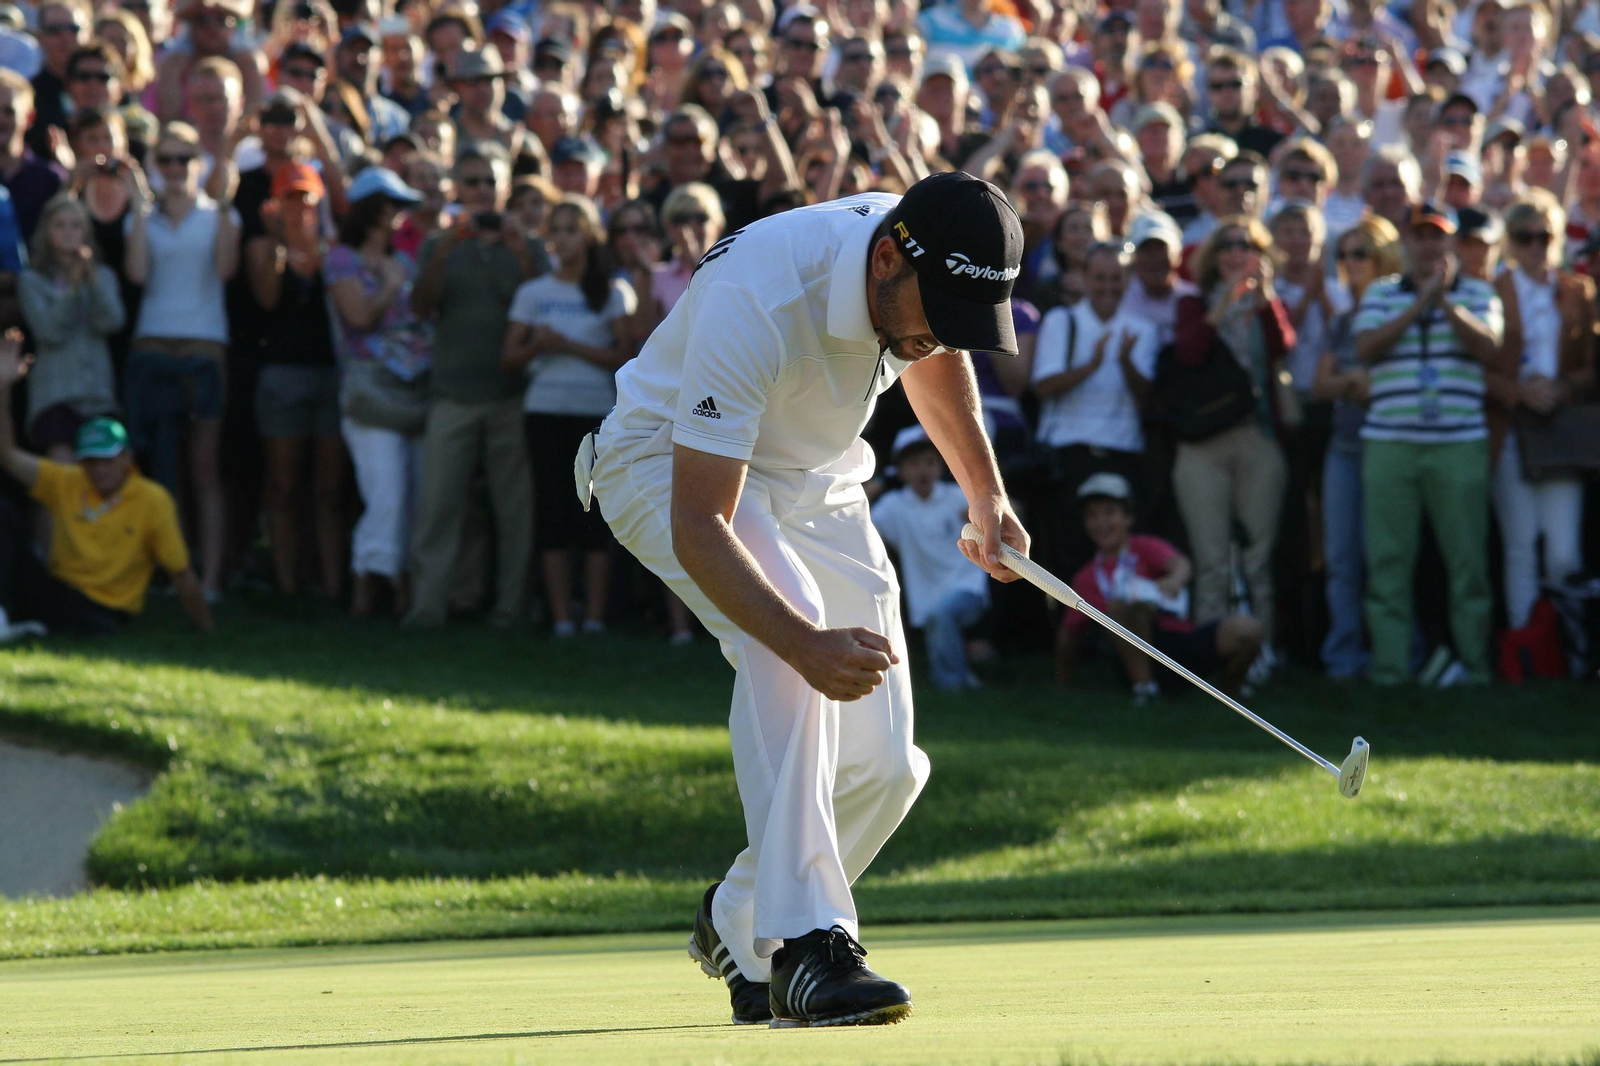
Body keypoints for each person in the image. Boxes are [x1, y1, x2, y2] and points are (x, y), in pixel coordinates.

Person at [587, 173, 1029, 1026]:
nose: (938, 335)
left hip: (814, 475)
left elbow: (938, 355)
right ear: (888, 260)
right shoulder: (760, 292)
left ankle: (738, 919)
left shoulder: (915, 273)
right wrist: (799, 640)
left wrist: (986, 493)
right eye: (936, 312)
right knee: (789, 645)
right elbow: (701, 523)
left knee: (886, 766)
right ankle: (805, 947)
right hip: (663, 462)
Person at [1353, 202, 1501, 686]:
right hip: (1390, 443)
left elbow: (1488, 346)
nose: (1428, 245)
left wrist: (1445, 304)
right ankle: (1390, 671)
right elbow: (1366, 347)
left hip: (1459, 444)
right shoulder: (1380, 293)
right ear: (1406, 243)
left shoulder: (1478, 293)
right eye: (1419, 236)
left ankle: (1475, 668)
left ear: (1451, 242)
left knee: (1468, 563)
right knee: (1388, 562)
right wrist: (1420, 304)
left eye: (1436, 236)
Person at [404, 145, 547, 628]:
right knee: (439, 507)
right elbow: (421, 307)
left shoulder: (530, 245)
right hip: (452, 394)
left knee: (514, 511)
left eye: (491, 181)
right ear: (457, 189)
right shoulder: (438, 244)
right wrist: (446, 248)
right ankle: (428, 609)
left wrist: (521, 251)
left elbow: (546, 303)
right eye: (473, 182)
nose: (483, 191)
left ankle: (510, 609)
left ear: (505, 187)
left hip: (513, 396)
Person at [0, 339, 212, 637]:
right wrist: (3, 388)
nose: (99, 470)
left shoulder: (152, 499)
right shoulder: (67, 480)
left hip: (105, 609)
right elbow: (7, 455)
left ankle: (32, 626)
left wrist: (207, 630)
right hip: (57, 591)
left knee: (87, 619)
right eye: (91, 461)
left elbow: (181, 572)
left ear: (127, 458)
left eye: (107, 460)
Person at [502, 195, 636, 637]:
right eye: (555, 230)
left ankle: (593, 618)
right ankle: (561, 618)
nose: (561, 239)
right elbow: (509, 357)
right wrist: (537, 346)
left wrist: (570, 346)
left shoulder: (613, 292)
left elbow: (627, 356)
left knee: (594, 513)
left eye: (570, 229)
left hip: (594, 414)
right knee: (552, 511)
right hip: (544, 411)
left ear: (590, 236)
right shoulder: (533, 292)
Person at [1172, 218, 1295, 674]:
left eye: (1246, 245)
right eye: (1227, 245)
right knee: (1212, 560)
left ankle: (1259, 658)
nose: (1236, 252)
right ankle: (1211, 662)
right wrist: (1225, 299)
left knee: (1257, 557)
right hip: (1204, 443)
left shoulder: (1266, 305)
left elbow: (1283, 345)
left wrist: (1264, 297)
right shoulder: (1193, 302)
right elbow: (1190, 353)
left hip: (1256, 436)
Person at [123, 120, 239, 603]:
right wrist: (139, 209)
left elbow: (226, 270)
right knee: (155, 465)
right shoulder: (142, 217)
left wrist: (225, 206)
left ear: (199, 163)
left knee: (203, 467)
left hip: (204, 344)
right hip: (152, 342)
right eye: (165, 159)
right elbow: (137, 273)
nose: (174, 168)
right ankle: (162, 574)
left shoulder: (219, 215)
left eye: (183, 159)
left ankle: (208, 580)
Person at [1486, 192, 1596, 634]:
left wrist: (1560, 388)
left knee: (1564, 552)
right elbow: (1477, 367)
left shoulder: (1576, 291)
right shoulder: (1493, 290)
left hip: (1558, 427)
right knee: (1520, 546)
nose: (1535, 245)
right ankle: (1525, 647)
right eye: (1524, 236)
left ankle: (1566, 643)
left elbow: (1590, 368)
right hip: (1511, 426)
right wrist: (1518, 392)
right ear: (1510, 242)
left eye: (1544, 236)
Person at [1055, 472, 1264, 702]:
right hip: (1132, 654)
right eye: (1092, 515)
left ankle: (1230, 693)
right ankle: (1144, 688)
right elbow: (1069, 633)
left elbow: (1180, 564)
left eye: (1110, 512)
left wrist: (1174, 580)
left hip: (1180, 640)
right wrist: (1063, 681)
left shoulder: (1145, 547)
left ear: (1128, 517)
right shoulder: (1085, 577)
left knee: (1248, 629)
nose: (1101, 523)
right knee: (1120, 607)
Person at [326, 167, 429, 619]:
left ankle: (401, 585)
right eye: (392, 206)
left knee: (413, 495)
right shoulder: (341, 260)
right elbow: (360, 318)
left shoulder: (406, 261)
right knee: (385, 494)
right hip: (371, 393)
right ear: (372, 210)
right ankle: (369, 587)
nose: (398, 215)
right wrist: (389, 285)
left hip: (414, 388)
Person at [245, 160, 346, 601]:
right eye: (290, 198)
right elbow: (267, 298)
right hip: (283, 376)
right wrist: (281, 241)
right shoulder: (262, 247)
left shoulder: (335, 251)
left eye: (306, 198)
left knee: (329, 490)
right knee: (283, 487)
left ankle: (333, 586)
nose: (299, 207)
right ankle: (287, 587)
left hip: (331, 375)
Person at [1031, 239, 1159, 578]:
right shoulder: (1061, 321)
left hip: (1123, 452)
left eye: (1116, 278)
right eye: (1100, 278)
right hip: (1071, 454)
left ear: (1127, 280)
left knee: (1125, 562)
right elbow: (1043, 387)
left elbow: (1146, 397)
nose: (1108, 287)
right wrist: (1091, 365)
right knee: (1071, 557)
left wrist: (1125, 361)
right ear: (1085, 278)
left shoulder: (1142, 329)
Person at [1310, 215, 1401, 679]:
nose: (1351, 262)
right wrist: (1353, 381)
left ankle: (1393, 656)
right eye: (1343, 255)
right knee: (1342, 559)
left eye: (1360, 253)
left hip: (1389, 449)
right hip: (1344, 449)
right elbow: (1320, 385)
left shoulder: (1398, 315)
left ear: (1383, 257)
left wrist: (1362, 383)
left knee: (1385, 558)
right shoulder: (1343, 321)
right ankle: (1344, 657)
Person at [870, 426, 989, 691]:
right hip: (926, 593)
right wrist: (881, 482)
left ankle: (950, 685)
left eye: (930, 462)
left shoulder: (959, 497)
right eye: (913, 463)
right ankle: (961, 681)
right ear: (900, 471)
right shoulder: (892, 506)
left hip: (967, 585)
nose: (922, 470)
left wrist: (981, 518)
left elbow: (1007, 512)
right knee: (939, 619)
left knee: (941, 615)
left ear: (941, 467)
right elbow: (856, 518)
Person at [18, 193, 124, 478]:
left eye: (76, 225)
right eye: (60, 225)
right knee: (63, 481)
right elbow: (48, 331)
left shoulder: (103, 276)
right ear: (47, 232)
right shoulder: (31, 280)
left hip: (99, 396)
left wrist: (91, 282)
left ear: (86, 232)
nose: (68, 232)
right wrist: (75, 290)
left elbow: (112, 322)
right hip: (55, 396)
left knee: (100, 480)